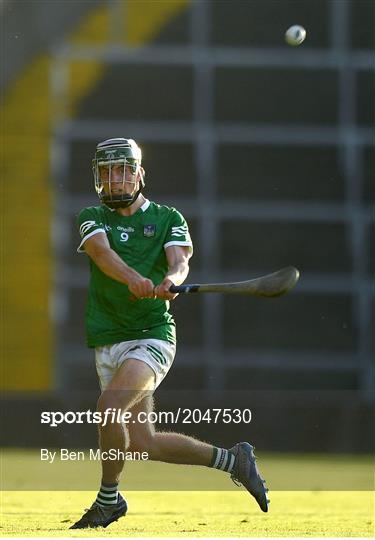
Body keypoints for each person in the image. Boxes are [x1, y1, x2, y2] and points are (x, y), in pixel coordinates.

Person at [70, 138, 269, 529]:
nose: (115, 179)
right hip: (107, 337)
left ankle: (108, 500)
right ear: (98, 178)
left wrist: (170, 281)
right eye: (107, 172)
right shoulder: (91, 216)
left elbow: (180, 263)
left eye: (123, 170)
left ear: (139, 174)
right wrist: (135, 278)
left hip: (151, 335)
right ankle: (236, 461)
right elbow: (102, 254)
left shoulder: (168, 218)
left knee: (110, 407)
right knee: (143, 442)